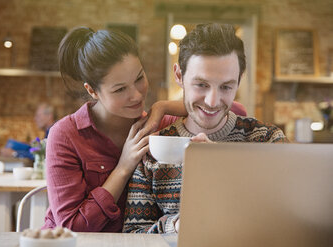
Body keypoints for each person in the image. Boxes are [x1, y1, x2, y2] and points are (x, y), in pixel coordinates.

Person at [123, 23, 288, 234]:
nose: (212, 101)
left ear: (239, 82)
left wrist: (223, 168)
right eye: (201, 85)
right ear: (179, 76)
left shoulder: (267, 140)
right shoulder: (154, 152)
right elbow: (132, 235)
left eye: (226, 87)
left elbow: (289, 220)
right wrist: (175, 227)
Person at [42, 26, 193, 232]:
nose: (137, 96)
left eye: (139, 78)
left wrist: (162, 106)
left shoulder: (157, 123)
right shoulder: (66, 135)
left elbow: (225, 108)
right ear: (92, 91)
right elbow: (72, 226)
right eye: (120, 89)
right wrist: (123, 167)